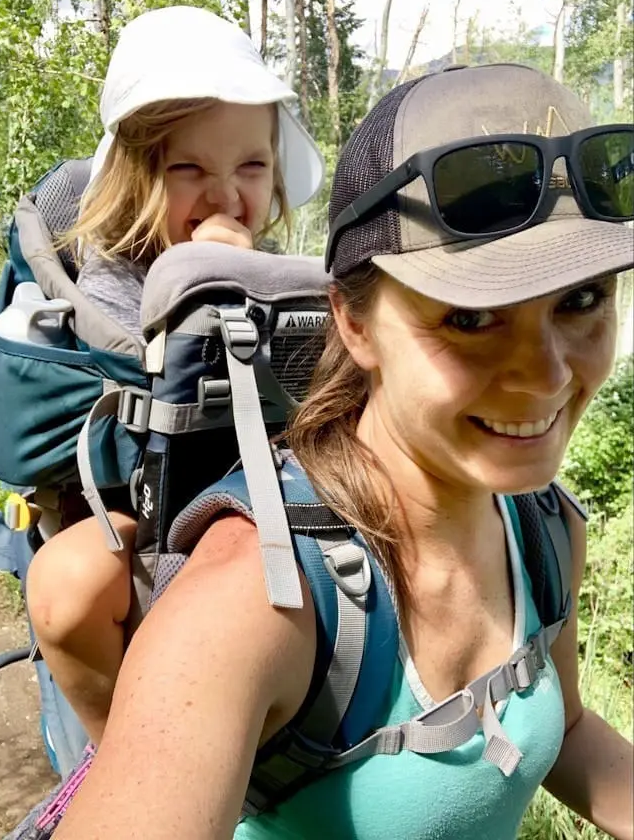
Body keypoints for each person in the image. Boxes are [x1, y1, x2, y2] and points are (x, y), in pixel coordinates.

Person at [51, 63, 633, 840]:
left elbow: (564, 731)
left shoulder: (542, 527)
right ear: (353, 324)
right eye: (469, 319)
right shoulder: (255, 604)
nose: (548, 377)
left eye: (582, 300)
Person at [25, 5, 324, 747]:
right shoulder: (115, 275)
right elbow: (150, 375)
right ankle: (118, 750)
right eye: (189, 169)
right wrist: (211, 270)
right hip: (142, 504)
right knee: (69, 584)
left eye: (252, 167)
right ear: (134, 180)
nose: (226, 196)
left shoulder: (274, 262)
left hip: (260, 495)